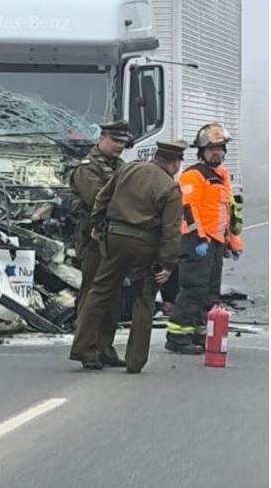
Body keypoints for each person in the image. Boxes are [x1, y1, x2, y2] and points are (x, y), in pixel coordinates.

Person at [69, 140, 187, 373]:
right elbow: (171, 230)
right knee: (144, 299)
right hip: (144, 246)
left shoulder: (128, 168)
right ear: (174, 164)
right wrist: (167, 264)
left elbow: (102, 197)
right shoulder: (170, 188)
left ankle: (81, 347)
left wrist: (99, 222)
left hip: (114, 238)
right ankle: (135, 361)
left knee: (100, 290)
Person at [165, 123, 244, 354]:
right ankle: (177, 337)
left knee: (210, 292)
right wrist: (198, 238)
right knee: (193, 289)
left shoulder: (221, 176)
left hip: (216, 242)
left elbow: (227, 212)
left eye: (220, 149)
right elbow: (189, 208)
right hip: (197, 241)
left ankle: (198, 333)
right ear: (201, 152)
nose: (217, 153)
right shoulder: (193, 175)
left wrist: (233, 242)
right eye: (212, 149)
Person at [68, 120, 132, 366]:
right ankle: (87, 348)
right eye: (115, 141)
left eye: (123, 143)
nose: (119, 146)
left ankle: (105, 346)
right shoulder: (88, 168)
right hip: (93, 237)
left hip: (115, 236)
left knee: (113, 296)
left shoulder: (121, 166)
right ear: (101, 138)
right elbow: (98, 199)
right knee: (93, 294)